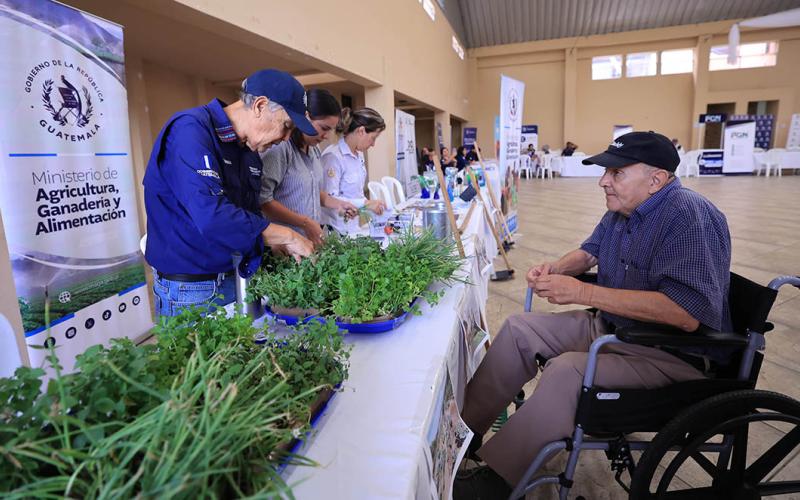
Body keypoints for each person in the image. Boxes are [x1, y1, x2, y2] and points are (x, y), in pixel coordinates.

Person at [455, 131, 732, 498]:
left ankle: (498, 479)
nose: (604, 181)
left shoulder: (687, 218)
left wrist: (583, 291)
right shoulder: (624, 210)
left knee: (568, 371)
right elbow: (590, 253)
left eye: (616, 173)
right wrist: (555, 269)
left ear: (656, 180)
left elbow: (685, 314)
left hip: (669, 352)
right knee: (520, 329)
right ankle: (463, 439)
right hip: (617, 329)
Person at [143, 69, 315, 317]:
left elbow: (245, 213)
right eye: (286, 126)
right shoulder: (190, 131)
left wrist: (269, 244)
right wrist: (287, 235)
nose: (286, 138)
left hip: (236, 277)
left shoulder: (248, 151)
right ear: (260, 105)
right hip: (192, 291)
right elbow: (212, 216)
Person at [259, 89, 357, 247]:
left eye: (330, 130)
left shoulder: (314, 150)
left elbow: (311, 190)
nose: (326, 136)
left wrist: (339, 204)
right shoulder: (280, 148)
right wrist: (305, 223)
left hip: (310, 242)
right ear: (305, 117)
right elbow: (264, 201)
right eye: (323, 128)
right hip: (285, 246)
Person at [322, 107, 387, 215]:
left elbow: (357, 194)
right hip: (337, 227)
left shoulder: (359, 154)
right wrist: (366, 203)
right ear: (361, 131)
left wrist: (368, 206)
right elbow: (330, 199)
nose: (373, 144)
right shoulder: (333, 157)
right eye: (373, 138)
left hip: (355, 224)